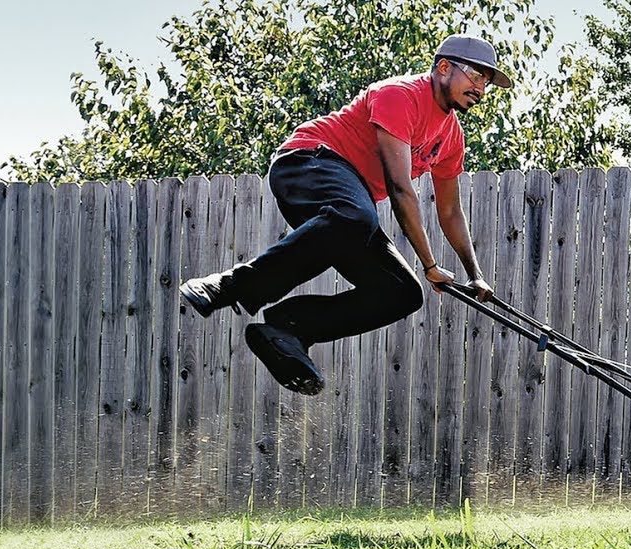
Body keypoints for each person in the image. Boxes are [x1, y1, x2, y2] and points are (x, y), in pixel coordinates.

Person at [179, 34, 504, 395]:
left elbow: (450, 210)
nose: (481, 88)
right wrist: (430, 265)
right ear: (444, 68)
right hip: (307, 163)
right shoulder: (401, 95)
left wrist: (475, 275)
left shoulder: (452, 137)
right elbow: (400, 190)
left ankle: (288, 329)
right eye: (476, 76)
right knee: (357, 217)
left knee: (402, 292)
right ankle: (231, 286)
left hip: (346, 208)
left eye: (487, 82)